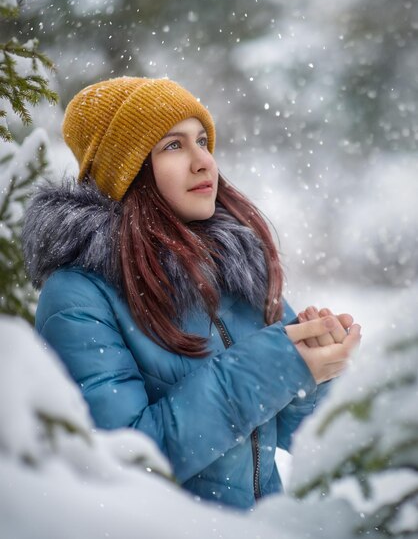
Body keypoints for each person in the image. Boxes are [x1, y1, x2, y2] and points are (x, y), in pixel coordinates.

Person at [23, 76, 361, 510]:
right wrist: (272, 364)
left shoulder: (234, 270)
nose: (204, 162)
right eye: (173, 146)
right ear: (126, 171)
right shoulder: (78, 296)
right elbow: (124, 465)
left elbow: (309, 438)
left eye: (202, 141)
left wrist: (313, 368)